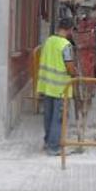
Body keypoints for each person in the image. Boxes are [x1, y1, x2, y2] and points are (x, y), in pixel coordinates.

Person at [37, 17, 77, 156]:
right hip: (61, 88)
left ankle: (48, 142)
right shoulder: (66, 46)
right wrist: (75, 74)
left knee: (48, 116)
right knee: (58, 119)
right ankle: (54, 148)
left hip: (47, 86)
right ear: (70, 29)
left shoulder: (48, 41)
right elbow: (70, 67)